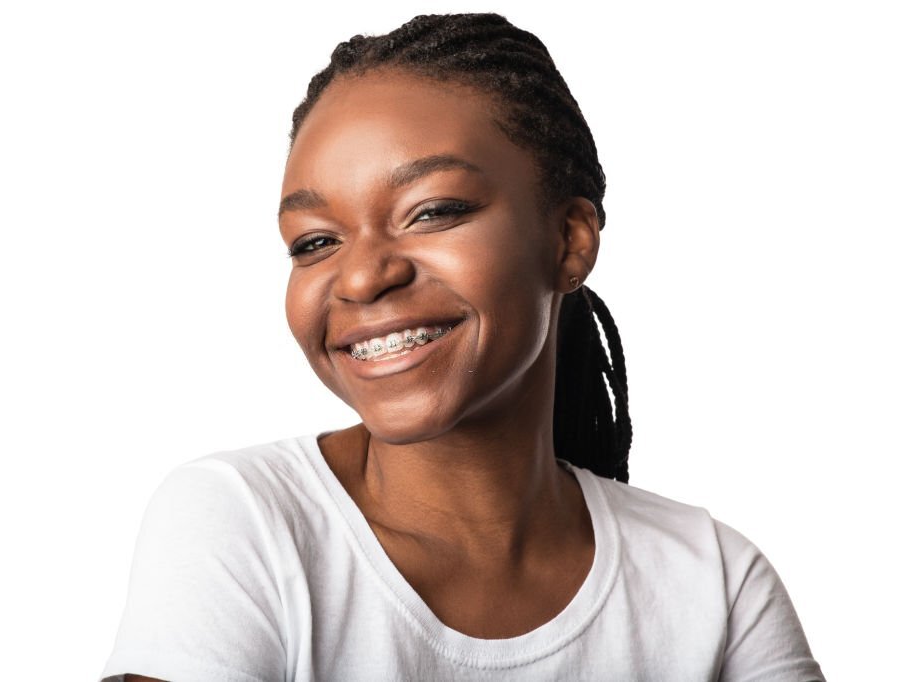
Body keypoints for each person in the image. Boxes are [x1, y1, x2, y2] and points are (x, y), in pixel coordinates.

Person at [100, 12, 824, 681]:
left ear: (569, 239)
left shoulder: (715, 583)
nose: (360, 275)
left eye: (433, 212)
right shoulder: (242, 523)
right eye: (315, 241)